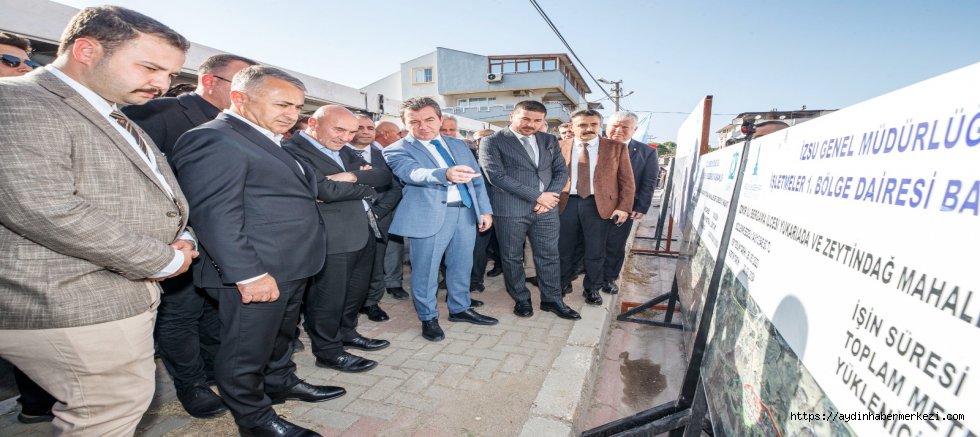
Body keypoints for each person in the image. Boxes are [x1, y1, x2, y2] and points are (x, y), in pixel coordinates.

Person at [0, 6, 196, 435]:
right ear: (87, 50)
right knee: (107, 412)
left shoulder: (114, 113)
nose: (162, 84)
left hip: (114, 294)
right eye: (150, 67)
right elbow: (40, 206)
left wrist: (182, 234)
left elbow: (158, 192)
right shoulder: (17, 99)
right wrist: (162, 259)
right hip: (69, 300)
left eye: (170, 73)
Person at [171, 66, 343, 437]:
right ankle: (254, 419)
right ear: (239, 98)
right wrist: (249, 274)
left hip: (290, 265)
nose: (291, 114)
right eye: (281, 104)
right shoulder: (213, 138)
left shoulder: (268, 138)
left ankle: (281, 382)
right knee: (244, 351)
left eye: (296, 107)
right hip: (255, 270)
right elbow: (214, 215)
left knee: (280, 337)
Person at [122, 53, 256, 419]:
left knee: (214, 309)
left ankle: (214, 370)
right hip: (179, 237)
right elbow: (133, 177)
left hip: (225, 233)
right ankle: (190, 384)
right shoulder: (157, 113)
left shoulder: (242, 123)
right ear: (210, 81)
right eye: (240, 82)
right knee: (181, 313)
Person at [282, 106, 392, 373]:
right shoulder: (291, 149)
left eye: (351, 132)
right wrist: (366, 186)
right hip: (330, 236)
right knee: (328, 299)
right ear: (313, 123)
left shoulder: (342, 148)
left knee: (354, 293)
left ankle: (347, 333)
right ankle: (328, 352)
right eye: (339, 129)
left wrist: (353, 176)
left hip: (360, 232)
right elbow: (325, 190)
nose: (346, 137)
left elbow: (383, 176)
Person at [383, 97, 498, 342]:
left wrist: (484, 211)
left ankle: (460, 308)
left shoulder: (458, 145)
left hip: (465, 212)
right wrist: (444, 174)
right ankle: (428, 318)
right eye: (414, 121)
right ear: (404, 123)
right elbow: (412, 173)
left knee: (462, 265)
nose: (423, 126)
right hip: (427, 216)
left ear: (440, 119)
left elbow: (476, 180)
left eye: (429, 120)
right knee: (426, 271)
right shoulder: (396, 149)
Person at [479, 101, 580, 320]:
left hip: (546, 210)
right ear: (511, 116)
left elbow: (561, 171)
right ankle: (521, 299)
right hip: (510, 209)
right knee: (512, 257)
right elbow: (496, 176)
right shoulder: (492, 141)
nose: (530, 124)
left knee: (549, 255)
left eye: (537, 120)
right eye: (525, 118)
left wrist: (549, 197)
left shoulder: (549, 139)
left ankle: (552, 299)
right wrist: (537, 196)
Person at [558, 109, 635, 306]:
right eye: (582, 125)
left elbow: (627, 181)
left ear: (600, 125)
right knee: (564, 248)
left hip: (599, 205)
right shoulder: (559, 146)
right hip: (566, 203)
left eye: (593, 124)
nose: (589, 128)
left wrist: (623, 207)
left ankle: (592, 288)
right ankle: (563, 283)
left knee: (596, 250)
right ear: (572, 127)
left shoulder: (616, 148)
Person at [349, 115, 404, 322]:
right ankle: (348, 305)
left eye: (370, 128)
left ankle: (371, 302)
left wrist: (379, 211)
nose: (365, 131)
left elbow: (395, 188)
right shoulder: (336, 152)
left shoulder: (386, 155)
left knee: (376, 262)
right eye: (360, 127)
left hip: (379, 217)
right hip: (345, 218)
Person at [602, 111, 659, 294]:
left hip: (624, 207)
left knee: (615, 244)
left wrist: (641, 206)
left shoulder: (646, 152)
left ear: (634, 129)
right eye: (614, 126)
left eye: (625, 127)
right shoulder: (596, 146)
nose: (618, 130)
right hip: (593, 204)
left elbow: (649, 181)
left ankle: (609, 278)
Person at [374, 120, 411, 300]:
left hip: (392, 205)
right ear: (386, 133)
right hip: (368, 206)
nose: (400, 137)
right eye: (397, 134)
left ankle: (393, 282)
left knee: (394, 245)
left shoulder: (397, 151)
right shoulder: (362, 152)